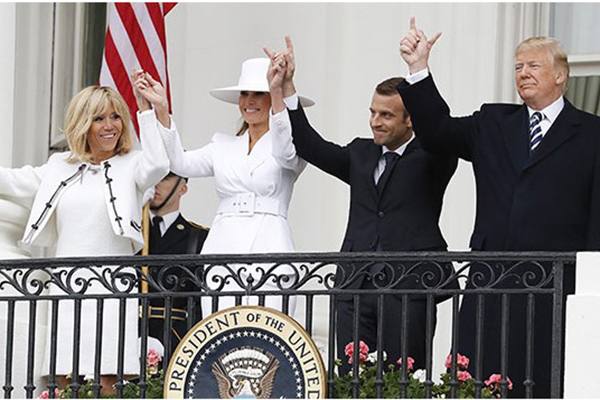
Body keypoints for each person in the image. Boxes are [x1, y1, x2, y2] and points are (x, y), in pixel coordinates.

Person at [398, 18, 600, 398]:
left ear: (560, 75)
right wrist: (419, 69)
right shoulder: (493, 122)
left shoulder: (592, 133)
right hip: (491, 283)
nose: (523, 73)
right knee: (479, 384)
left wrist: (591, 284)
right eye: (518, 66)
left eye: (533, 65)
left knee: (547, 384)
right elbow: (438, 132)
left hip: (556, 286)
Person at [266, 37, 457, 375]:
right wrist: (288, 89)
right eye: (372, 112)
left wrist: (418, 70)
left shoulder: (433, 156)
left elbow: (438, 123)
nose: (375, 121)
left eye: (386, 115)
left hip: (409, 287)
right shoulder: (360, 153)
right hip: (355, 287)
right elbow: (309, 145)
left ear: (410, 121)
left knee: (403, 381)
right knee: (351, 379)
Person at [0, 74, 169, 394]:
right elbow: (11, 180)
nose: (110, 126)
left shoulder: (133, 164)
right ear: (82, 124)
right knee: (65, 378)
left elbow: (159, 164)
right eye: (99, 118)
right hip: (67, 286)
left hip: (111, 286)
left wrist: (149, 111)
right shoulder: (59, 166)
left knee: (108, 379)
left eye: (116, 116)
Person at [155, 57, 314, 318]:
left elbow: (286, 153)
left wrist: (278, 93)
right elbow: (180, 163)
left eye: (259, 94)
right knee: (222, 330)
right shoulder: (222, 145)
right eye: (245, 94)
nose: (249, 101)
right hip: (223, 246)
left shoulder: (293, 144)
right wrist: (162, 110)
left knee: (267, 331)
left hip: (269, 244)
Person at [146, 171, 209, 354]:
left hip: (175, 341)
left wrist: (183, 340)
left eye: (165, 178)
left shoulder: (198, 237)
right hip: (128, 336)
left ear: (182, 188)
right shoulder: (131, 234)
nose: (156, 184)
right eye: (153, 177)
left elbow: (200, 301)